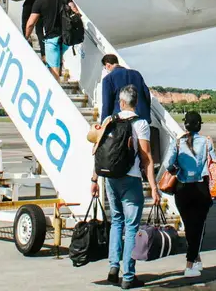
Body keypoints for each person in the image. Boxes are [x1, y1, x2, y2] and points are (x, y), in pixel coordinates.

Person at [91, 85, 161, 289]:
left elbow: (98, 151)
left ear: (121, 102)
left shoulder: (108, 121)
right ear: (135, 102)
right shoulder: (140, 124)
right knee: (131, 226)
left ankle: (113, 268)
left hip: (110, 178)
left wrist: (94, 179)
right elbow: (146, 158)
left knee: (117, 222)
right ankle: (128, 276)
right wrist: (154, 187)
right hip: (130, 179)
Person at [162, 111, 216, 278]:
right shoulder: (206, 142)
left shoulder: (177, 143)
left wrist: (176, 170)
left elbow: (167, 163)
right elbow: (214, 163)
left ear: (185, 125)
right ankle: (189, 264)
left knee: (189, 226)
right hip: (200, 187)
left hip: (182, 188)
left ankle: (196, 258)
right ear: (199, 125)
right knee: (198, 227)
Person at [25, 0, 80, 78]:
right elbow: (76, 12)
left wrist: (26, 37)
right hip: (66, 38)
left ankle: (57, 90)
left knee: (53, 71)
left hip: (52, 39)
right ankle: (59, 63)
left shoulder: (39, 2)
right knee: (58, 60)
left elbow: (30, 23)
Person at [100, 54, 152, 124]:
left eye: (105, 68)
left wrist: (103, 123)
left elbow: (107, 104)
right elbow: (147, 95)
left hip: (121, 121)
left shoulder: (108, 79)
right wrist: (146, 115)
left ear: (108, 65)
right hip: (141, 118)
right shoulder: (136, 74)